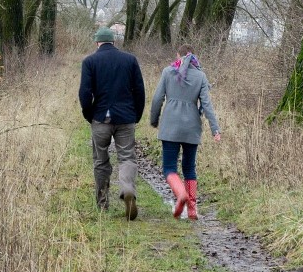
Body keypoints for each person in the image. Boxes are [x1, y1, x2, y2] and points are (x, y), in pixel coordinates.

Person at [79, 26, 146, 221]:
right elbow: (139, 91)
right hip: (126, 118)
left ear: (97, 43)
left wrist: (89, 114)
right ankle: (127, 190)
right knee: (127, 158)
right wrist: (137, 114)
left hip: (100, 118)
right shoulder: (130, 60)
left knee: (101, 161)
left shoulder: (90, 61)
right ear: (114, 42)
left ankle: (102, 204)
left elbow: (84, 93)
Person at [149, 44, 221, 220]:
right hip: (192, 128)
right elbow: (207, 105)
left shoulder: (168, 72)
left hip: (170, 127)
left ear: (177, 55)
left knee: (169, 168)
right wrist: (215, 129)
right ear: (193, 56)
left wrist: (154, 119)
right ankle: (192, 209)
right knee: (189, 168)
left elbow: (157, 99)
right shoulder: (201, 76)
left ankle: (181, 193)